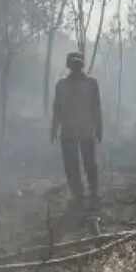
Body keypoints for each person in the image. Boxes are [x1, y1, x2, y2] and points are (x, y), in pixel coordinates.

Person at [51, 51, 103, 203]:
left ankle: (93, 191)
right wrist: (54, 129)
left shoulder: (91, 83)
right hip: (69, 131)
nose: (76, 66)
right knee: (71, 165)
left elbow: (96, 107)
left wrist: (99, 128)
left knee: (89, 163)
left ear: (82, 65)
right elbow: (57, 109)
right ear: (69, 65)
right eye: (73, 63)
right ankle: (78, 194)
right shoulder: (61, 85)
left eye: (78, 63)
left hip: (85, 130)